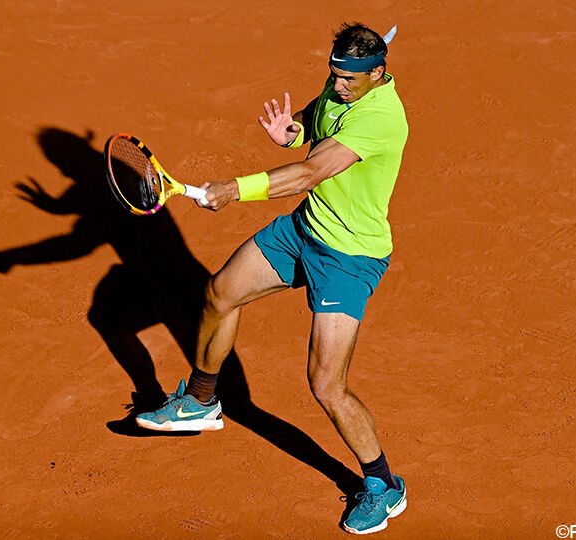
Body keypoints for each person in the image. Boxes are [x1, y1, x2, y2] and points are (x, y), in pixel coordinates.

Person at [134, 22, 409, 534]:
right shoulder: (343, 84)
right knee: (220, 291)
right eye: (334, 74)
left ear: (378, 72)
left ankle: (383, 484)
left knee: (326, 384)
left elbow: (308, 174)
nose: (338, 84)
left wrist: (234, 190)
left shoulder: (382, 119)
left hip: (349, 257)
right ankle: (200, 400)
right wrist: (297, 130)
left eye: (349, 78)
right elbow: (316, 122)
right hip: (305, 230)